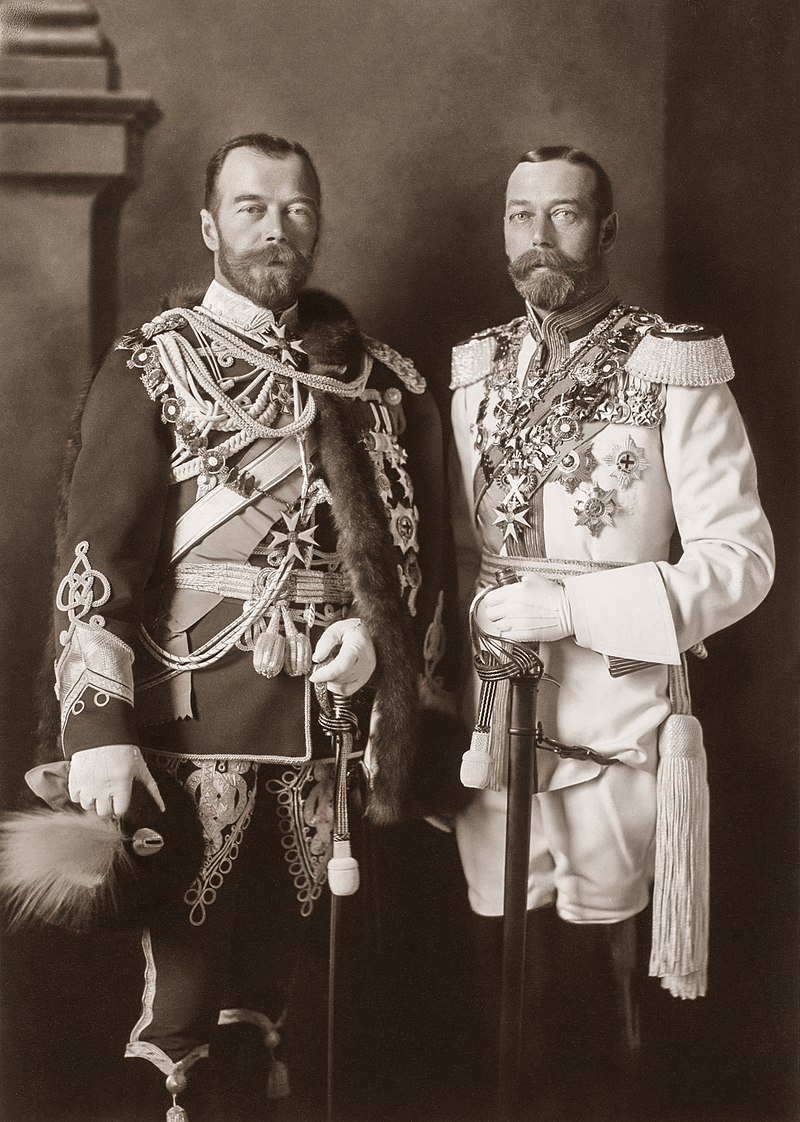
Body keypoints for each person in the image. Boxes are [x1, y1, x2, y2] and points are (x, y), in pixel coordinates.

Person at [35, 132, 453, 1120]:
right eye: (252, 206)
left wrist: (376, 639)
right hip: (191, 721)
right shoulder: (156, 364)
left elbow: (421, 552)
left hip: (330, 727)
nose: (276, 228)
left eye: (296, 208)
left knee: (280, 986)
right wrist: (97, 728)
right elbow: (95, 563)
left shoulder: (379, 379)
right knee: (181, 991)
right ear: (209, 224)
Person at [449, 145, 774, 1104]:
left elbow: (741, 562)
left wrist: (574, 609)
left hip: (617, 721)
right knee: (501, 965)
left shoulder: (672, 364)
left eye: (566, 213)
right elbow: (459, 552)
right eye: (521, 215)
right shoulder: (477, 369)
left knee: (603, 974)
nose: (540, 236)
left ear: (608, 229)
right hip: (489, 721)